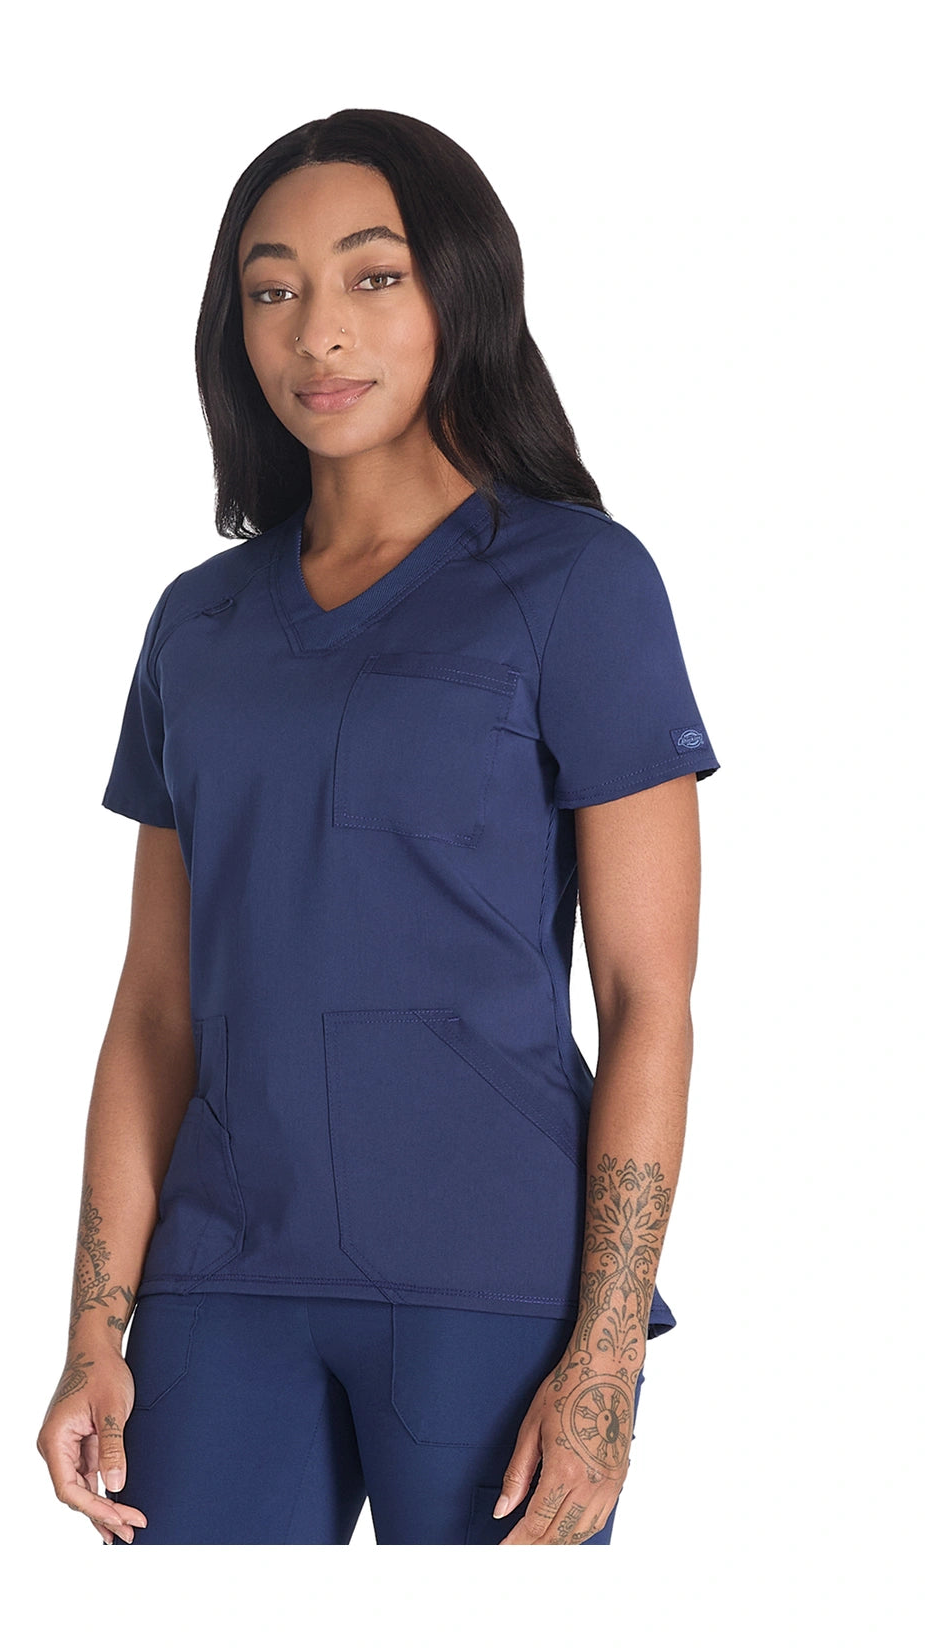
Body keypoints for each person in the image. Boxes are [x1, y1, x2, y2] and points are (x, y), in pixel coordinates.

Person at [36, 107, 720, 1547]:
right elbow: (155, 1007)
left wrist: (605, 1358)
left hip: (494, 1288)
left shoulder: (580, 584)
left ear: (459, 290)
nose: (318, 333)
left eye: (371, 276)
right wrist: (95, 1328)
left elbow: (648, 997)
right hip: (221, 1279)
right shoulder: (198, 625)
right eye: (271, 290)